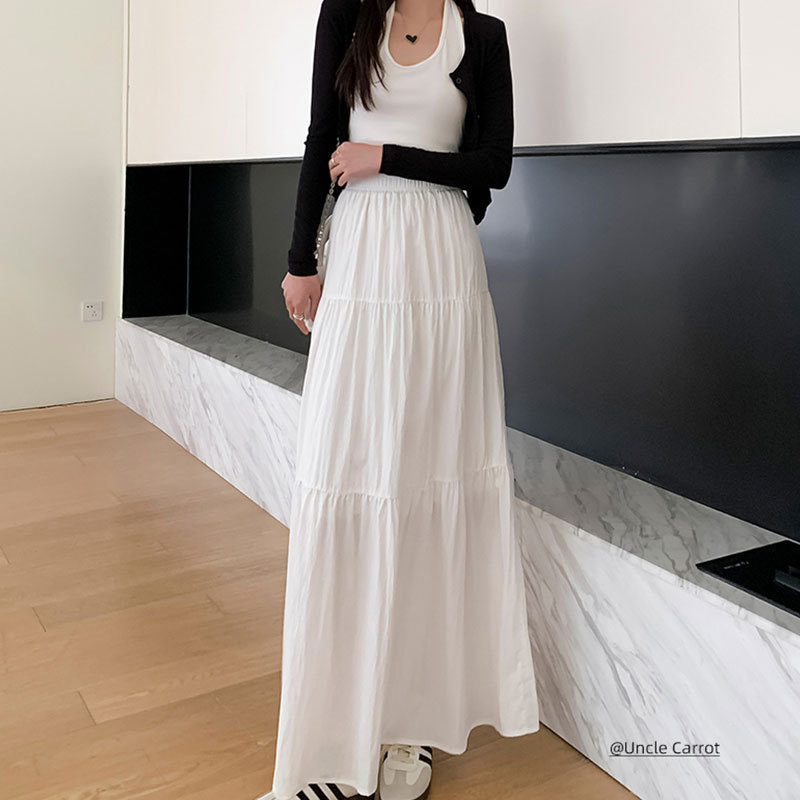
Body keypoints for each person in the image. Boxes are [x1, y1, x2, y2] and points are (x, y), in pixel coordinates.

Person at [269, 1, 540, 798]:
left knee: (427, 480)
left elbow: (493, 165)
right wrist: (300, 260)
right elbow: (321, 138)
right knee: (347, 476)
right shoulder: (347, 13)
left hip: (442, 270)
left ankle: (411, 721)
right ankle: (333, 733)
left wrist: (386, 155)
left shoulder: (481, 36)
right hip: (361, 260)